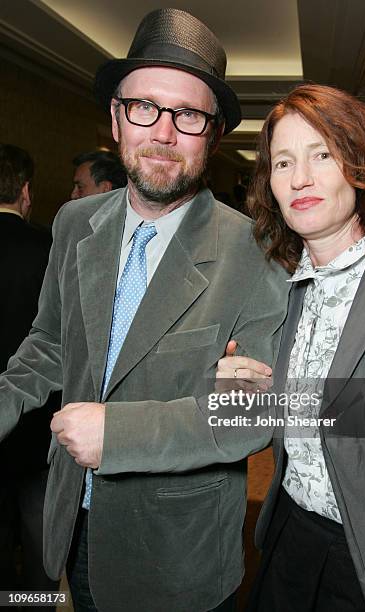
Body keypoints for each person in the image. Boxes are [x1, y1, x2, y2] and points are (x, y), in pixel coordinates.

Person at [0, 9, 288, 612]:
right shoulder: (74, 223)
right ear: (115, 117)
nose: (162, 132)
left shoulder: (257, 251)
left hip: (173, 558)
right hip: (68, 528)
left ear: (212, 133)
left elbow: (255, 416)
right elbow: (49, 342)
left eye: (188, 115)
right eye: (144, 108)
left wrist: (118, 434)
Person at [216, 84, 365, 611]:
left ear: (358, 165)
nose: (300, 178)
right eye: (282, 162)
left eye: (322, 154)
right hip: (287, 540)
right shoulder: (282, 288)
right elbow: (292, 426)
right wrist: (240, 397)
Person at [0, 144, 59, 608]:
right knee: (40, 540)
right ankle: (32, 604)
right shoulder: (50, 250)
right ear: (25, 191)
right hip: (38, 423)